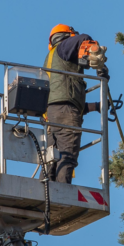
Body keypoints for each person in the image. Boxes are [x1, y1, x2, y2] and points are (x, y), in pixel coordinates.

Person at [44, 24, 107, 183]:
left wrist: (97, 106)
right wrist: (95, 54)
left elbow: (67, 100)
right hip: (65, 111)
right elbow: (84, 38)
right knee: (67, 155)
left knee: (51, 159)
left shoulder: (51, 59)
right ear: (68, 36)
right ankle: (62, 194)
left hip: (51, 114)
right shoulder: (64, 47)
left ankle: (46, 191)